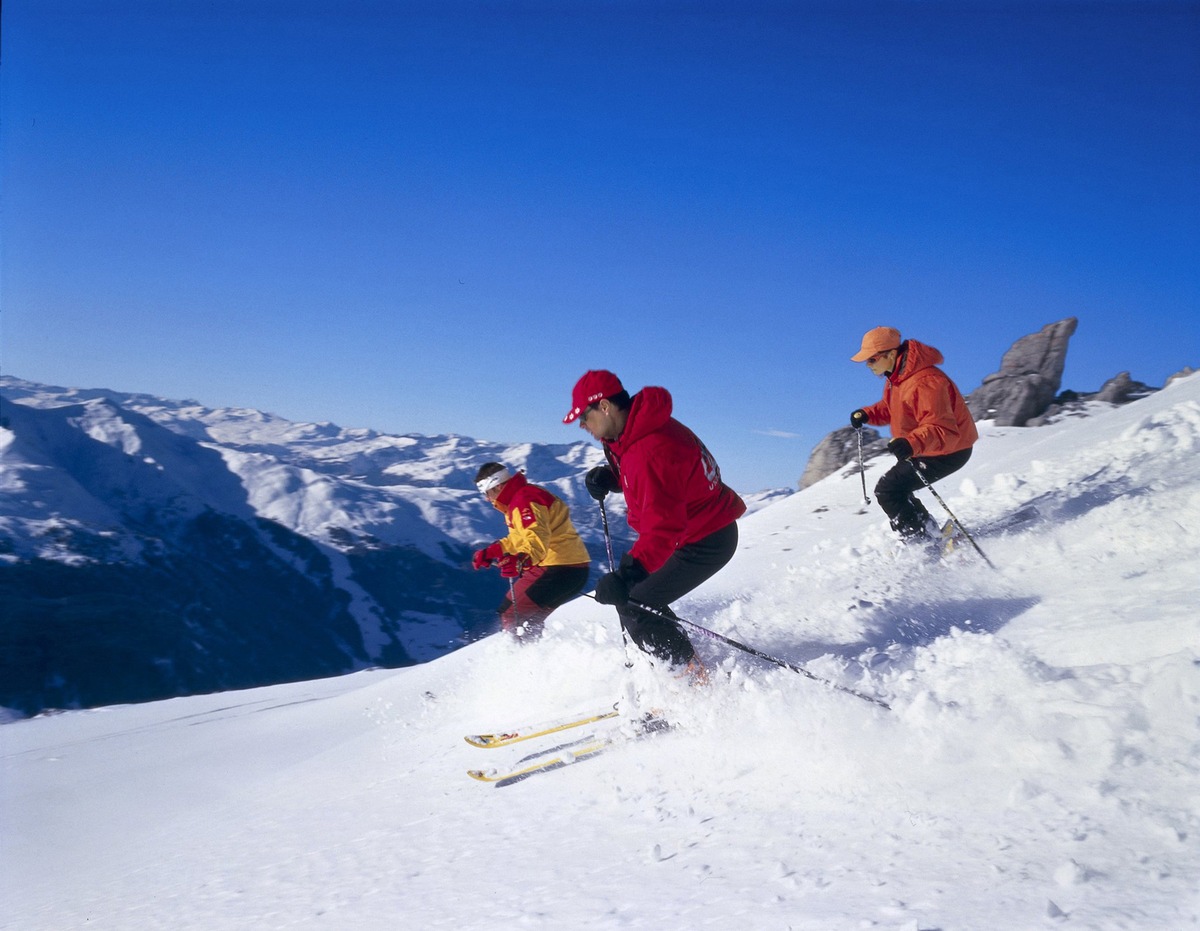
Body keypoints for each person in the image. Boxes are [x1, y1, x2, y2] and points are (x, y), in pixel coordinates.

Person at [563, 370, 746, 680]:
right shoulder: (637, 429)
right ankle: (673, 669)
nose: (582, 425)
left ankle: (689, 684)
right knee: (636, 596)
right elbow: (664, 484)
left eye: (584, 416)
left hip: (705, 539)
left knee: (636, 600)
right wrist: (614, 478)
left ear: (605, 406)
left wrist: (629, 575)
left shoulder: (649, 449)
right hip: (698, 529)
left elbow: (664, 528)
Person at [849, 326, 978, 543]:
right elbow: (893, 408)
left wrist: (910, 443)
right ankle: (928, 534)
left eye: (871, 359)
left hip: (949, 449)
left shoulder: (926, 381)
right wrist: (867, 414)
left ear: (891, 354)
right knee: (895, 488)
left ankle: (923, 543)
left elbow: (942, 428)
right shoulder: (898, 378)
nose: (868, 365)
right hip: (928, 447)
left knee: (889, 489)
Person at [471, 463, 591, 640]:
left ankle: (520, 661)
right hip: (570, 568)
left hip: (558, 567)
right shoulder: (520, 497)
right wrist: (493, 551)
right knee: (529, 621)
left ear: (497, 486)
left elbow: (536, 538)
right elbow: (521, 537)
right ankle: (536, 660)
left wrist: (521, 561)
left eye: (486, 494)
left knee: (510, 613)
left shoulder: (524, 500)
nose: (487, 499)